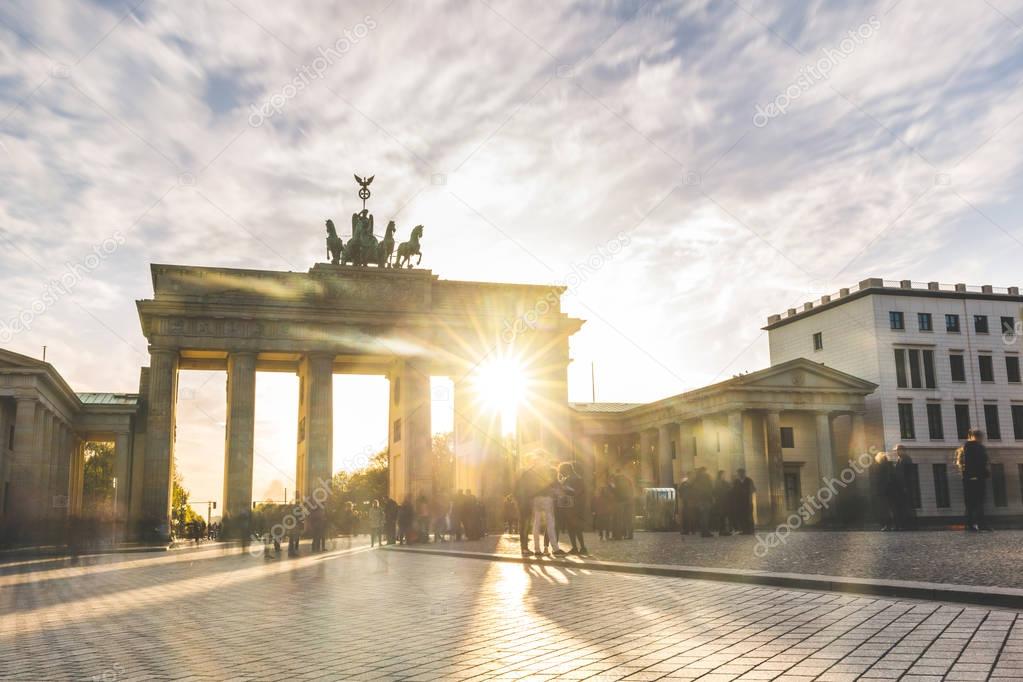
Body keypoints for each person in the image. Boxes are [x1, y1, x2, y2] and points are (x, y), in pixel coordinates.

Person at [958, 428, 991, 531]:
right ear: (978, 437)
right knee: (978, 502)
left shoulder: (964, 448)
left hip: (968, 479)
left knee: (971, 503)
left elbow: (962, 464)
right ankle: (980, 524)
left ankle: (970, 524)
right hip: (977, 478)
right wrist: (985, 473)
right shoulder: (979, 448)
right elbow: (982, 463)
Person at [531, 457, 564, 557]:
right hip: (547, 499)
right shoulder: (552, 471)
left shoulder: (534, 473)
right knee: (550, 524)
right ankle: (555, 548)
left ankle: (537, 549)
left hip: (536, 499)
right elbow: (557, 487)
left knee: (536, 524)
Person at [557, 461, 588, 555]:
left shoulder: (575, 479)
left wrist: (565, 488)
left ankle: (581, 548)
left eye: (562, 471)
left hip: (573, 506)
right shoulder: (576, 478)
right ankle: (577, 547)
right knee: (572, 527)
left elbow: (576, 492)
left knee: (574, 527)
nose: (561, 473)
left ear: (567, 469)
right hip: (573, 506)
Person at [891, 444, 915, 531]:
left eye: (898, 450)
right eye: (896, 450)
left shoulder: (907, 459)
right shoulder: (900, 459)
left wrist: (906, 486)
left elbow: (908, 474)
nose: (896, 452)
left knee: (906, 506)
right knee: (901, 506)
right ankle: (903, 524)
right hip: (900, 486)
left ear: (902, 451)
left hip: (905, 486)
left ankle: (908, 525)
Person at [690, 467, 713, 538]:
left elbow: (694, 490)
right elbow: (709, 488)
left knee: (702, 516)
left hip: (700, 500)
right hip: (705, 499)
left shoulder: (696, 479)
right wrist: (711, 498)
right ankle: (705, 532)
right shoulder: (705, 477)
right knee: (705, 516)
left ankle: (703, 532)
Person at [731, 468, 756, 534]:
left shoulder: (749, 480)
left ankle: (751, 530)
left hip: (748, 502)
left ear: (744, 473)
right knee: (741, 516)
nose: (740, 474)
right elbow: (733, 491)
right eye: (739, 473)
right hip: (739, 502)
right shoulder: (736, 481)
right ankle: (744, 530)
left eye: (742, 473)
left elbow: (753, 489)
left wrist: (746, 492)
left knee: (749, 516)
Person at [713, 470, 732, 536]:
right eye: (724, 474)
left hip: (723, 502)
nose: (725, 476)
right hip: (722, 502)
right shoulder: (719, 483)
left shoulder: (721, 482)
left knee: (723, 516)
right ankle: (723, 531)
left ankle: (723, 530)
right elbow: (719, 492)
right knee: (723, 516)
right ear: (721, 475)